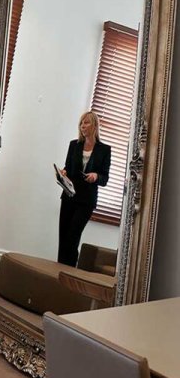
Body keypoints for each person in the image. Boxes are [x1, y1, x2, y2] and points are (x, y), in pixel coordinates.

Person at [57, 111, 111, 267]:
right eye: (81, 123)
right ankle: (59, 271)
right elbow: (68, 167)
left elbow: (104, 178)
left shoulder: (104, 150)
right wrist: (64, 172)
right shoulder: (74, 145)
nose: (82, 126)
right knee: (63, 236)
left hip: (86, 200)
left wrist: (96, 176)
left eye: (86, 122)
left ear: (94, 125)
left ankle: (69, 271)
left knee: (73, 236)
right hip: (69, 196)